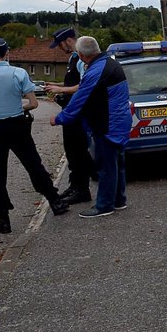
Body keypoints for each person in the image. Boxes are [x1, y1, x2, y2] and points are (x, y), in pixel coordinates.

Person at [0, 37, 69, 234]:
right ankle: (55, 201)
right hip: (17, 125)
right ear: (7, 52)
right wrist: (17, 107)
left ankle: (3, 220)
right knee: (33, 164)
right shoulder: (19, 73)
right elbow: (33, 103)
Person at [51, 36, 132, 219]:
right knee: (116, 163)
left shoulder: (96, 70)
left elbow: (80, 98)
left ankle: (104, 205)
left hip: (107, 123)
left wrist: (59, 118)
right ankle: (119, 200)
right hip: (119, 121)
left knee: (105, 166)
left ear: (81, 55)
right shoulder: (110, 63)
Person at [44, 26, 97, 204]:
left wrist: (61, 90)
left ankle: (82, 190)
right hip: (71, 111)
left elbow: (84, 86)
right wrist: (57, 86)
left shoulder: (81, 60)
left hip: (77, 113)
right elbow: (72, 83)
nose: (60, 49)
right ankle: (75, 185)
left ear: (68, 41)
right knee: (72, 152)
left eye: (60, 45)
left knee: (78, 151)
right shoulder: (73, 58)